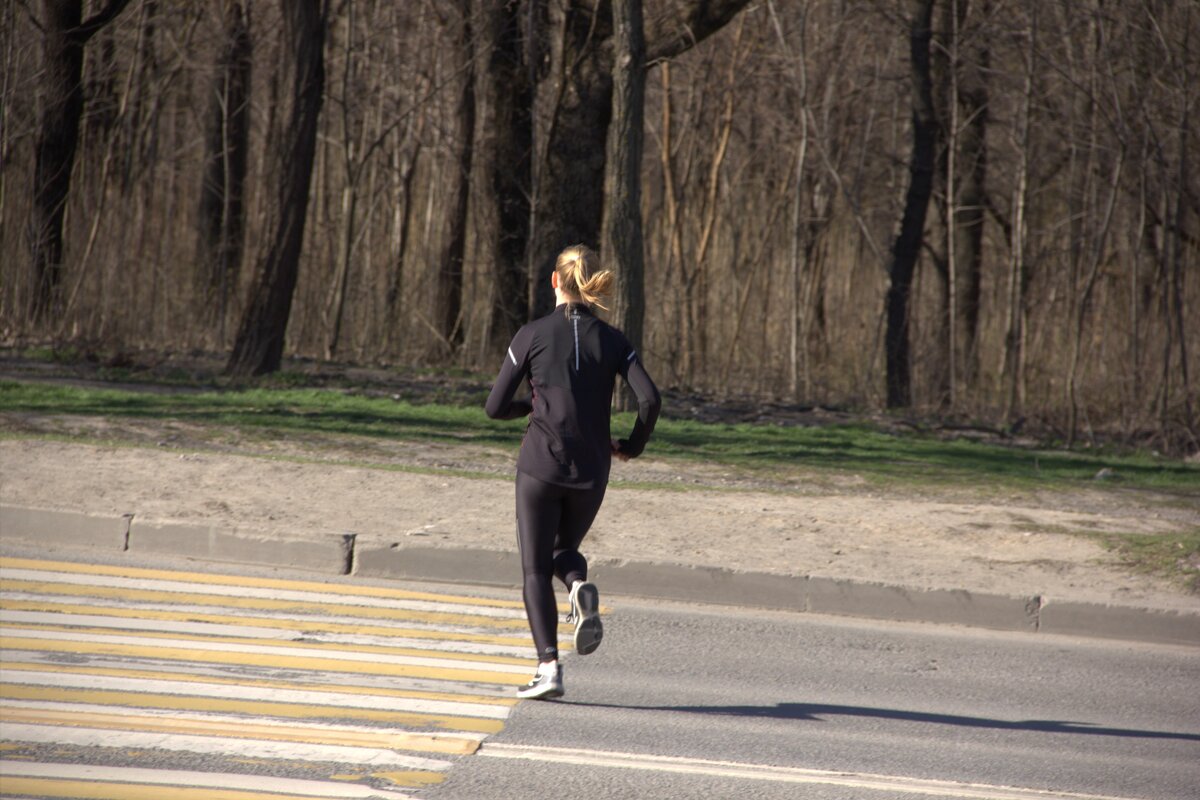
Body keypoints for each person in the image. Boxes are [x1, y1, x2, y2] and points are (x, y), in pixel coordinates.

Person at [485, 244, 661, 700]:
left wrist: (533, 404)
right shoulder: (615, 341)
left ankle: (548, 668)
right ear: (589, 283)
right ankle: (579, 584)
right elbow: (650, 398)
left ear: (554, 281)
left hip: (540, 466)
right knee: (565, 550)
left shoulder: (531, 334)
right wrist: (632, 447)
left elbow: (494, 407)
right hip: (592, 470)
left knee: (533, 569)